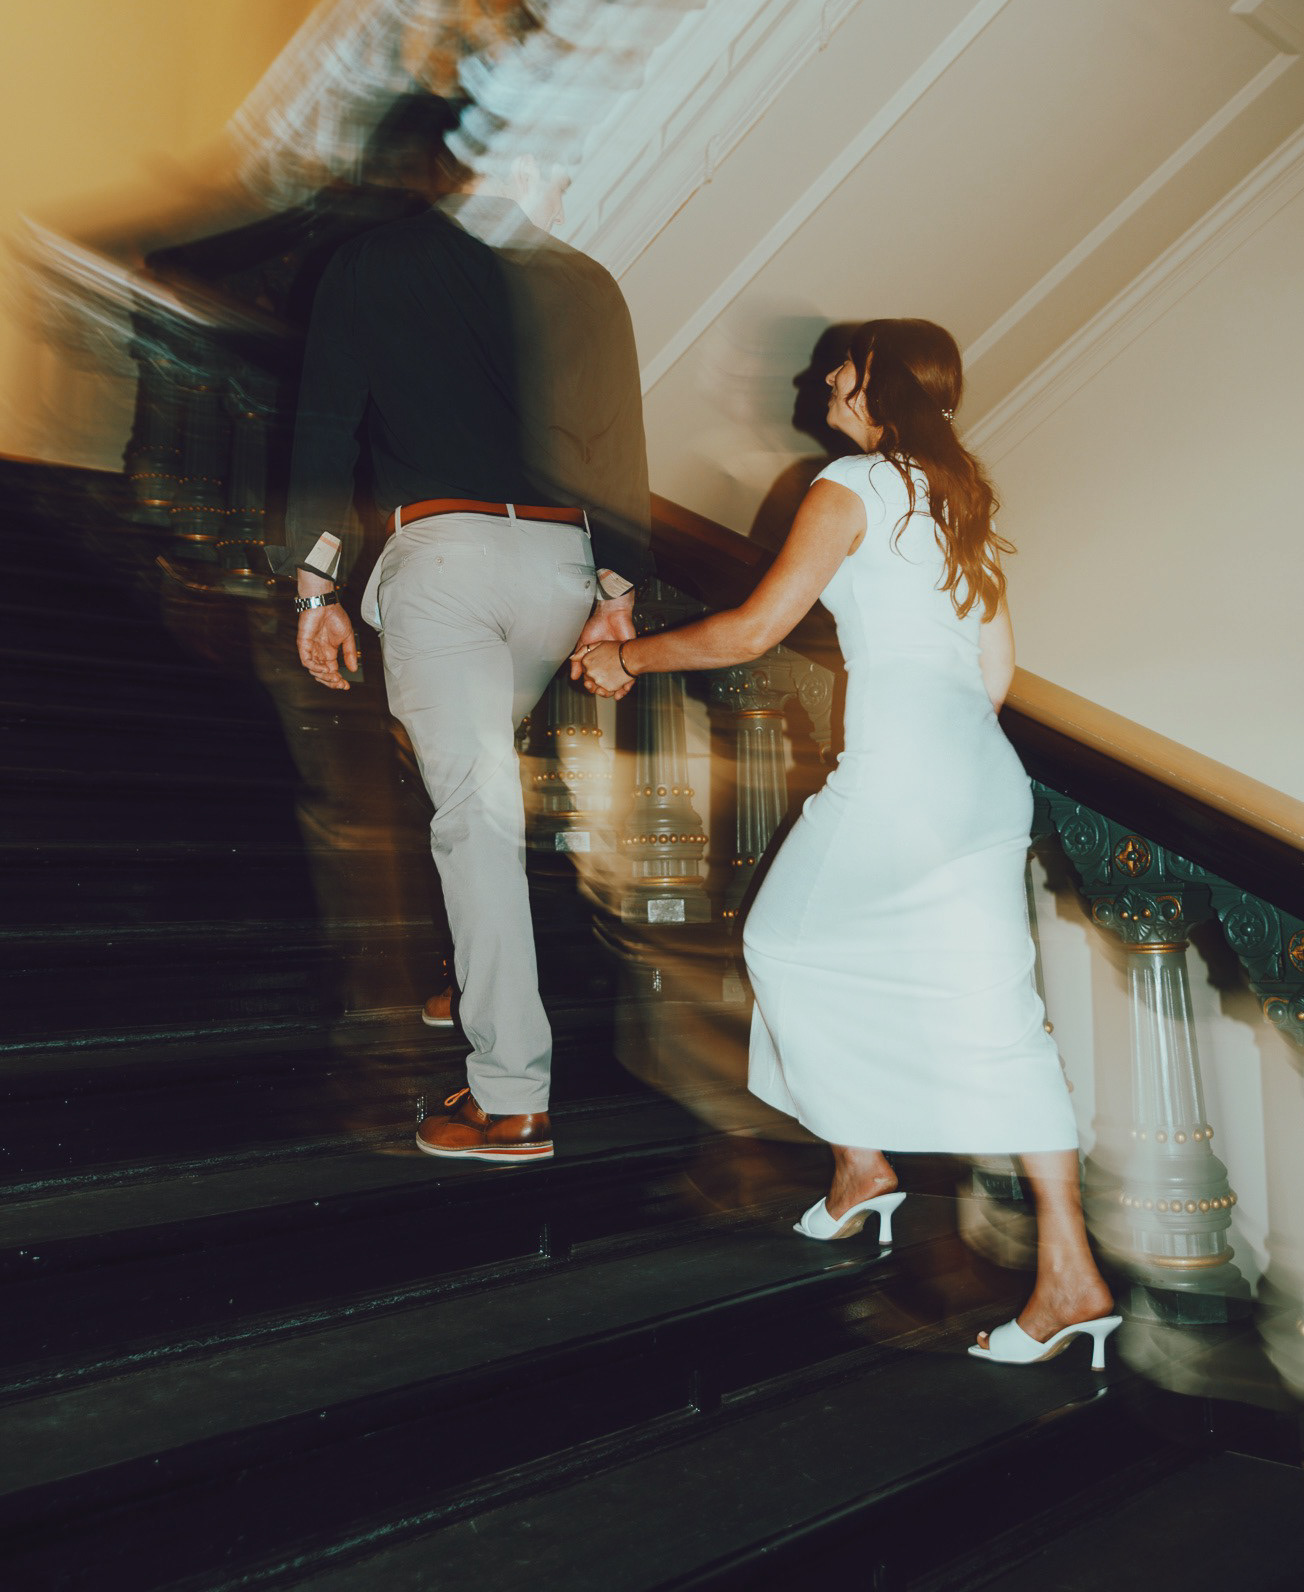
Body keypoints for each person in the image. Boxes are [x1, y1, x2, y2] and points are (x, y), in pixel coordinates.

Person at [581, 318, 1119, 1367]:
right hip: (981, 776)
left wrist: (628, 661)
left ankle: (861, 1164)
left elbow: (752, 630)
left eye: (845, 364)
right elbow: (994, 675)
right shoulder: (960, 500)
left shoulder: (851, 486)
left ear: (877, 384)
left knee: (780, 943)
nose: (824, 375)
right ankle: (1067, 1273)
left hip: (898, 774)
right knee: (1001, 1018)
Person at [287, 145, 650, 1165]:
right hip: (558, 568)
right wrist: (615, 594)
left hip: (444, 558)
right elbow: (619, 443)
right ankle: (466, 975)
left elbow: (326, 424)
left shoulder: (375, 261)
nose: (569, 187)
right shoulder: (587, 281)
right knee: (477, 782)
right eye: (561, 167)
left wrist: (315, 585)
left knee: (473, 816)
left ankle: (511, 1097)